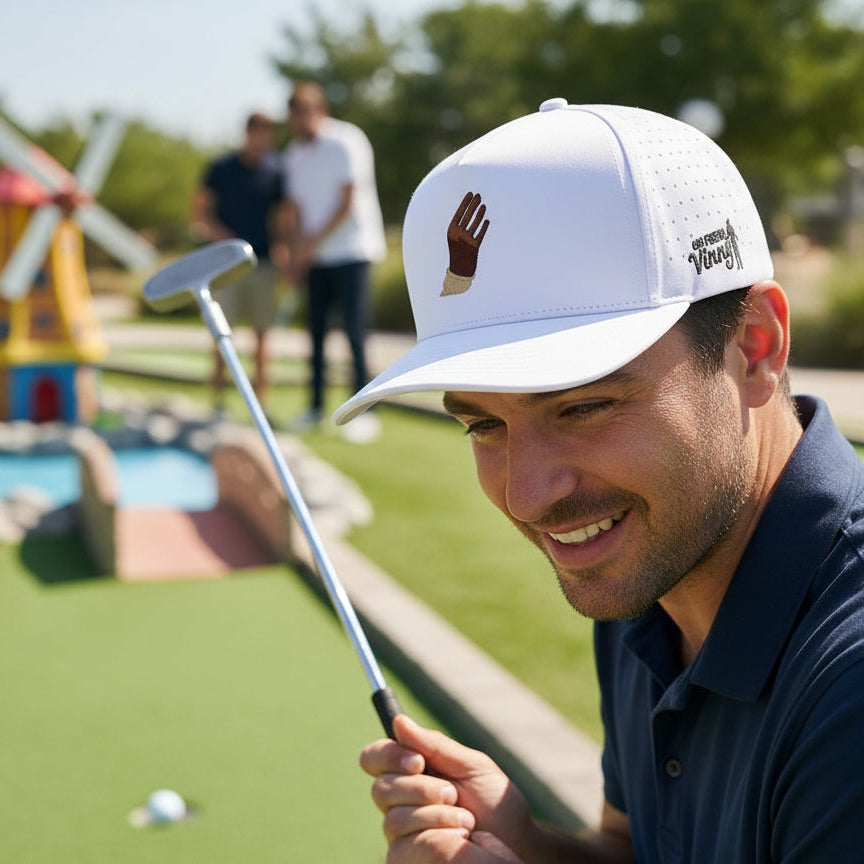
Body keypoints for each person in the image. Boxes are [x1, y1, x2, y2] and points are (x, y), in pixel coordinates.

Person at [331, 100, 864, 862]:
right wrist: (524, 844)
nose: (528, 497)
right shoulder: (650, 570)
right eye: (482, 424)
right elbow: (628, 847)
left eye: (584, 405)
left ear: (754, 346)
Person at [282, 81, 387, 441]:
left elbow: (346, 200)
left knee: (355, 333)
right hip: (316, 258)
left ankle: (366, 410)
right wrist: (297, 252)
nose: (300, 124)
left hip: (353, 251)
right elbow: (295, 209)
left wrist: (311, 242)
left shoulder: (346, 139)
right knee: (315, 334)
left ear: (319, 110)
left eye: (305, 114)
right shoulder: (294, 154)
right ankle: (314, 407)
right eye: (294, 117)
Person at [190, 112, 288, 413]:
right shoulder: (220, 169)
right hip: (225, 267)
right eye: (256, 131)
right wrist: (226, 242)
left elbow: (283, 218)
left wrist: (284, 249)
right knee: (222, 335)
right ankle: (218, 402)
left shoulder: (276, 172)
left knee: (262, 337)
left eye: (266, 132)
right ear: (246, 133)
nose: (261, 138)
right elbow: (199, 215)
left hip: (263, 264)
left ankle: (261, 406)